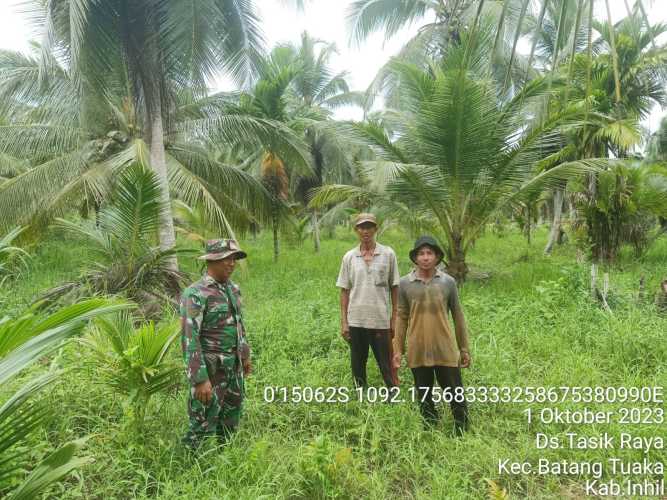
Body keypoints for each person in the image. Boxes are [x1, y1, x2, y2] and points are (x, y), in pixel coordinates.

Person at [393, 236, 470, 434]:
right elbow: (401, 317)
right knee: (424, 392)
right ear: (415, 258)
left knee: (454, 391)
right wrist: (397, 350)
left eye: (429, 253)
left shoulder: (448, 282)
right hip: (418, 349)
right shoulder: (404, 284)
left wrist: (464, 349)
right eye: (421, 253)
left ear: (436, 257)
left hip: (445, 348)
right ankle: (429, 425)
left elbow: (458, 316)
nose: (425, 257)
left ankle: (461, 426)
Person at [180, 239, 252, 448]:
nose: (231, 264)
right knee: (200, 425)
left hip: (234, 368)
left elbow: (239, 324)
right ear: (211, 261)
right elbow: (189, 338)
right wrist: (199, 379)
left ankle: (225, 460)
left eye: (233, 259)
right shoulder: (195, 294)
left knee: (231, 421)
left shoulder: (233, 289)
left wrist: (245, 355)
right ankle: (190, 468)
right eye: (225, 259)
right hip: (211, 370)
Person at [336, 213, 400, 387]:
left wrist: (394, 318)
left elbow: (395, 287)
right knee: (358, 362)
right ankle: (361, 394)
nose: (366, 231)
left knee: (386, 362)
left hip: (380, 319)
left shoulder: (388, 254)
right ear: (356, 230)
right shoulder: (349, 257)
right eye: (362, 227)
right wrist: (344, 322)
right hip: (356, 319)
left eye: (369, 227)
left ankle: (392, 392)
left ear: (375, 229)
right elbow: (344, 290)